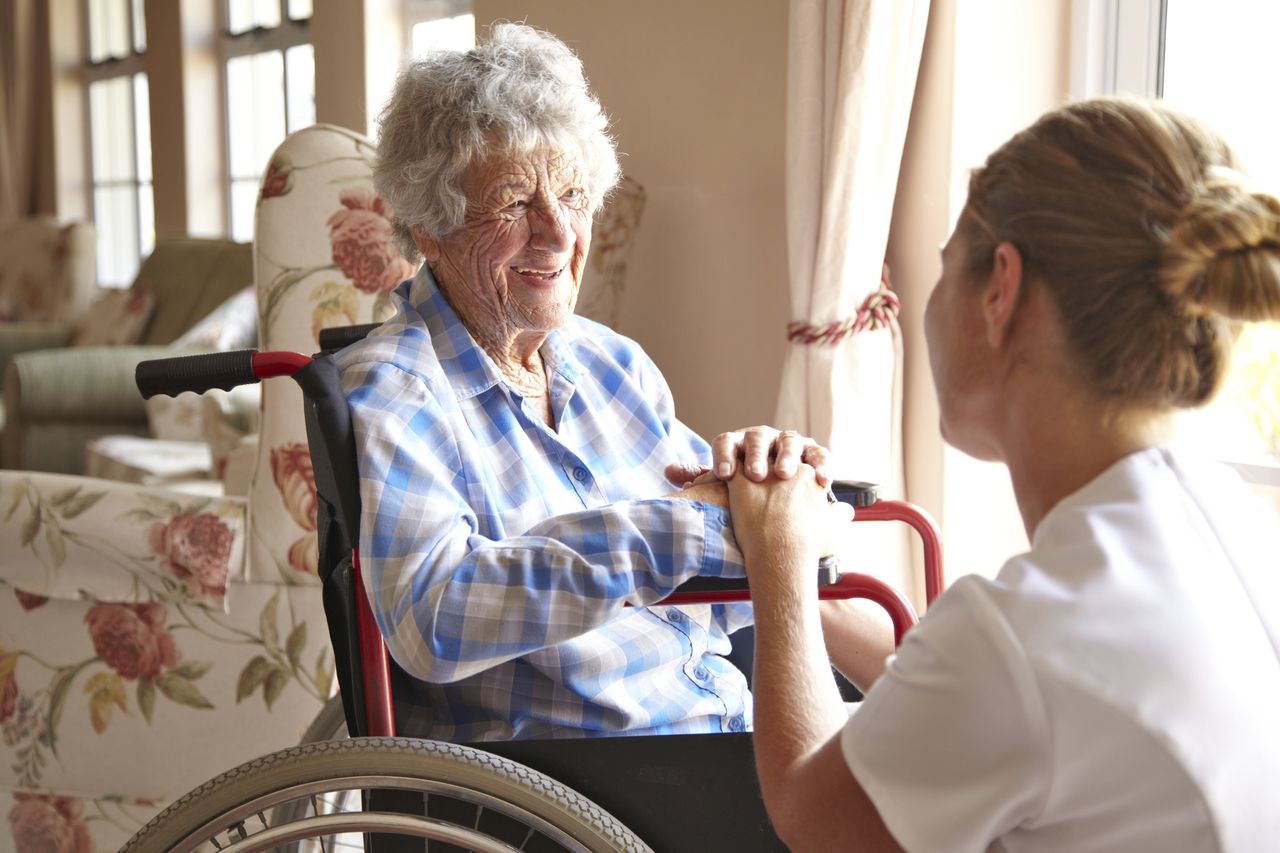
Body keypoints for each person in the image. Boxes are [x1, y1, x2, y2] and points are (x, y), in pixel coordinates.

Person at [728, 96, 1280, 851]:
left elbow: (811, 812)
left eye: (949, 262)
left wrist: (778, 563)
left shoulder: (1024, 630)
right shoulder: (1223, 514)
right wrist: (806, 608)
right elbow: (984, 707)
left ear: (1001, 289)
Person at [337, 23, 831, 742]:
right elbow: (432, 615)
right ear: (430, 226)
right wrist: (688, 528)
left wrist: (770, 483)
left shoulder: (611, 364)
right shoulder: (399, 391)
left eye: (573, 194)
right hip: (601, 787)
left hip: (726, 725)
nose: (560, 232)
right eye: (514, 202)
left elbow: (731, 554)